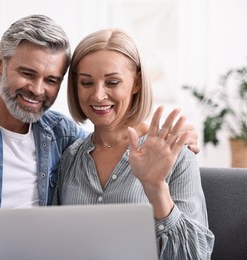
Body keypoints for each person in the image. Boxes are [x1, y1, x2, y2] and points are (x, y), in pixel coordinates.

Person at [0, 15, 199, 260]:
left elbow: (110, 134)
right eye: (27, 73)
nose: (38, 90)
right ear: (0, 63)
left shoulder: (62, 137)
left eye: (52, 79)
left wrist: (173, 136)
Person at [53, 28, 215, 259]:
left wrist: (156, 188)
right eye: (86, 83)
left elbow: (196, 256)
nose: (98, 95)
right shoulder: (70, 157)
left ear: (137, 83)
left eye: (113, 82)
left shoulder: (176, 155)